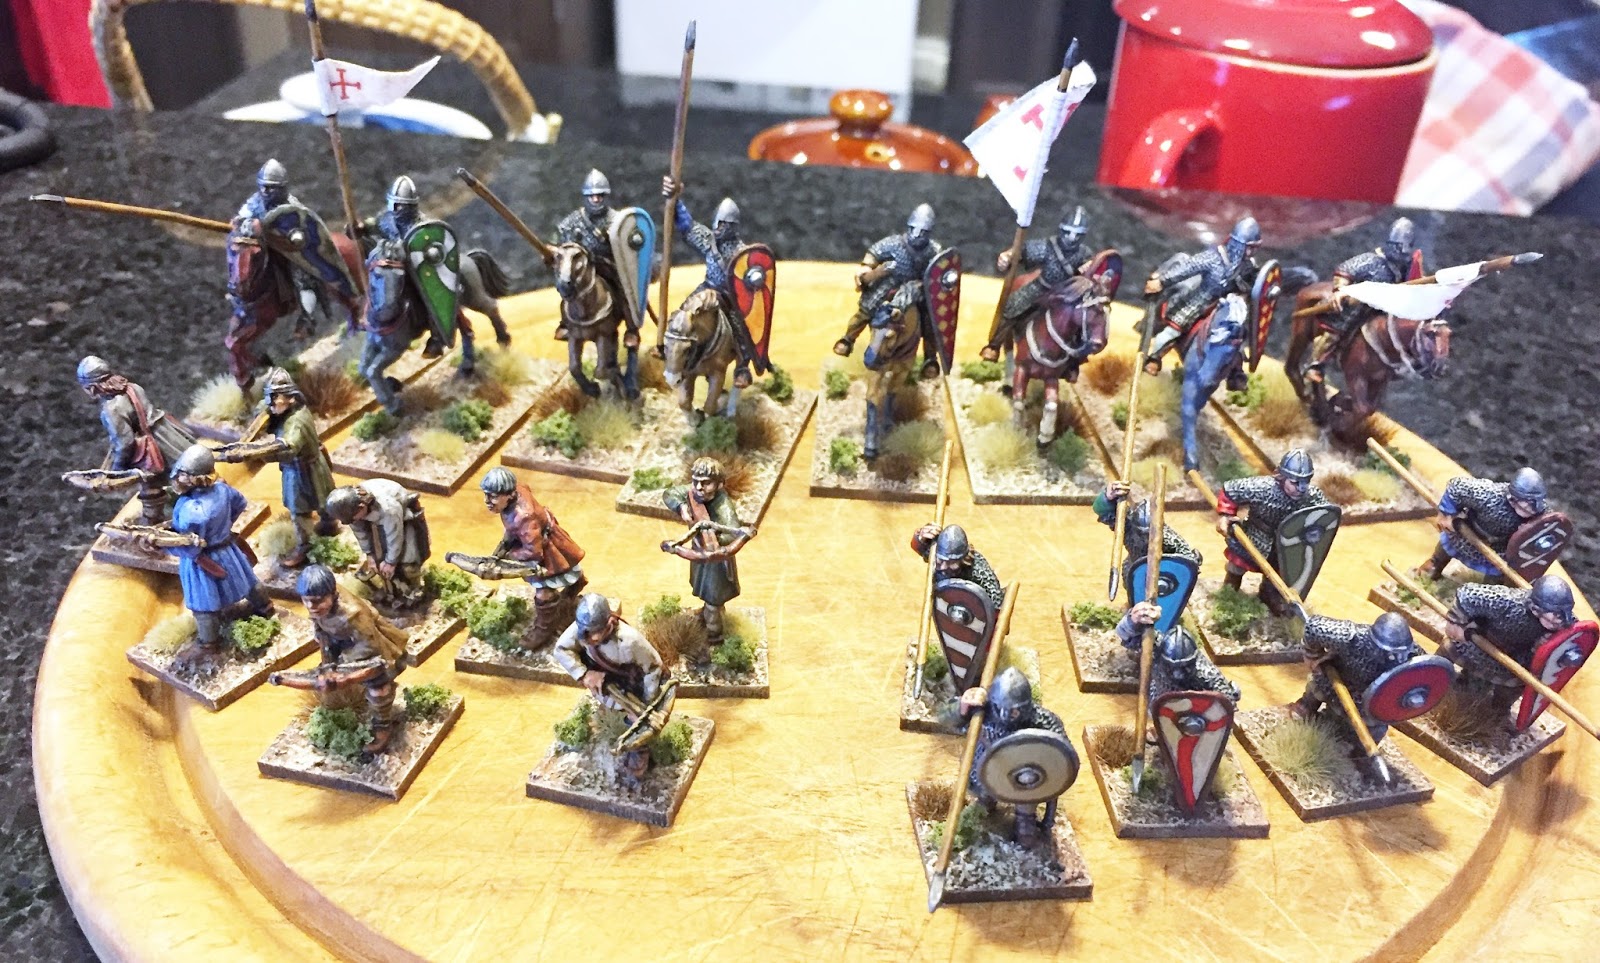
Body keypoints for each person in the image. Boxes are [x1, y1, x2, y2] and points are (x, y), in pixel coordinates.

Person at [158, 445, 275, 673]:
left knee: (203, 603)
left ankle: (208, 644)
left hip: (202, 559)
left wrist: (163, 544)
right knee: (248, 581)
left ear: (195, 477)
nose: (178, 478)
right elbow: (240, 503)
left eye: (183, 474)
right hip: (227, 549)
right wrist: (223, 528)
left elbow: (186, 543)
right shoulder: (223, 490)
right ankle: (265, 606)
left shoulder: (191, 510)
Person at [213, 367, 337, 567]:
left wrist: (258, 453)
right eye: (270, 397)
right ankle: (327, 524)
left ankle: (306, 545)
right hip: (301, 467)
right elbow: (264, 413)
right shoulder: (285, 410)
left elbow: (289, 447)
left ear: (290, 398)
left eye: (275, 398)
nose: (271, 403)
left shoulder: (296, 421)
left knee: (300, 510)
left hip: (304, 469)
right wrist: (265, 413)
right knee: (320, 499)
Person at [293, 564, 411, 755]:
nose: (310, 606)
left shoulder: (353, 615)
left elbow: (369, 646)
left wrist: (343, 666)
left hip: (373, 653)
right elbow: (319, 623)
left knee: (379, 689)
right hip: (340, 646)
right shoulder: (319, 601)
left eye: (316, 601)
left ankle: (382, 726)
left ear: (331, 595)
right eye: (305, 600)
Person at [553, 594, 668, 781]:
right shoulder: (581, 629)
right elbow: (561, 649)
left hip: (634, 683)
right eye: (587, 632)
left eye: (596, 631)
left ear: (608, 624)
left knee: (637, 719)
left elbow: (653, 668)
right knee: (609, 707)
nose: (592, 637)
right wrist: (584, 673)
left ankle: (639, 749)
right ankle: (610, 715)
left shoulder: (630, 640)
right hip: (604, 681)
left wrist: (648, 701)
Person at [660, 175, 762, 385]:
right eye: (718, 224)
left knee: (740, 328)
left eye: (724, 225)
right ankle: (670, 348)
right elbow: (687, 225)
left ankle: (742, 368)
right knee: (683, 312)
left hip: (729, 296)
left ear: (732, 226)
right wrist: (675, 199)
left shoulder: (742, 253)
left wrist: (754, 278)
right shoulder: (708, 240)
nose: (719, 228)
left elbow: (754, 277)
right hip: (708, 287)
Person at [75, 355, 197, 524]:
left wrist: (117, 469)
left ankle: (155, 519)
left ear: (93, 388)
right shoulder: (133, 387)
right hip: (167, 433)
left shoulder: (111, 409)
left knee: (162, 484)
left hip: (154, 449)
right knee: (191, 470)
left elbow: (125, 442)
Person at [958, 667, 1070, 846]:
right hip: (990, 769)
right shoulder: (983, 715)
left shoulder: (1044, 722)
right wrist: (962, 708)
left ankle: (1025, 823)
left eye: (1014, 711)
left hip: (1027, 779)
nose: (1006, 716)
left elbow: (1062, 753)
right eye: (1001, 709)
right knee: (985, 792)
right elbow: (950, 720)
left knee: (1026, 814)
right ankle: (987, 802)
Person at [834, 204, 947, 379]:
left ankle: (930, 358)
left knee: (930, 321)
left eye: (922, 232)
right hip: (890, 283)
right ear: (909, 227)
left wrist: (938, 281)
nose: (917, 235)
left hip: (917, 288)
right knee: (868, 307)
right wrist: (867, 267)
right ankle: (848, 339)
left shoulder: (934, 250)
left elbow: (941, 268)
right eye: (914, 229)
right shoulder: (893, 243)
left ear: (929, 232)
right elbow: (873, 253)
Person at [1288, 613, 1419, 763]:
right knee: (1316, 688)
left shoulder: (1412, 656)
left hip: (1369, 700)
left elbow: (1426, 673)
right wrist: (1313, 656)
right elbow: (1313, 627)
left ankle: (1359, 756)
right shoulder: (1350, 637)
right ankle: (1305, 707)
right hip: (1336, 679)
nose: (1388, 655)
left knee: (1376, 728)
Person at [1213, 448, 1330, 615]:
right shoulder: (1262, 488)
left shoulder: (1311, 496)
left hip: (1285, 544)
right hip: (1255, 535)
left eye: (1305, 482)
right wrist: (1225, 516)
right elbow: (1230, 491)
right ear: (1282, 477)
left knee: (1279, 573)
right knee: (1237, 566)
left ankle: (1269, 597)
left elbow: (1324, 515)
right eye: (1295, 482)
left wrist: (1315, 531)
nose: (1301, 488)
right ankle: (1228, 595)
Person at [479, 467, 587, 648]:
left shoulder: (524, 518)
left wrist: (509, 557)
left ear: (509, 495)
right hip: (535, 536)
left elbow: (534, 553)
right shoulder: (517, 492)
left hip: (544, 549)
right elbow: (512, 530)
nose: (487, 501)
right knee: (563, 569)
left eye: (493, 496)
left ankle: (544, 629)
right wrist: (499, 552)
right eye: (486, 494)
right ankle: (576, 583)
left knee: (543, 590)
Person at [1445, 575, 1576, 722]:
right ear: (1535, 608)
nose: (1557, 620)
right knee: (1450, 654)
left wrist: (1547, 646)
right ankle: (1439, 678)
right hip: (1479, 645)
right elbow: (1468, 594)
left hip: (1515, 659)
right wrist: (1456, 621)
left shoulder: (1565, 622)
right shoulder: (1507, 602)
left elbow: (1574, 637)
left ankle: (1499, 713)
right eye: (1554, 615)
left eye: (1561, 615)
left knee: (1512, 689)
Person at [1305, 218, 1421, 381]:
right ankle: (1316, 364)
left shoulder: (1407, 267)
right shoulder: (1370, 260)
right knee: (1337, 330)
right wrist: (1340, 291)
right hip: (1358, 306)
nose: (1400, 253)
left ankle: (1395, 364)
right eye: (1398, 248)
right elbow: (1345, 271)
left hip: (1385, 310)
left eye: (1403, 250)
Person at [1143, 216, 1262, 372]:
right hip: (1200, 301)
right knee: (1174, 329)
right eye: (1249, 247)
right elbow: (1187, 267)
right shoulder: (1213, 258)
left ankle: (1235, 372)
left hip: (1224, 305)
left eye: (1254, 248)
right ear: (1237, 244)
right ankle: (1154, 357)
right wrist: (1163, 281)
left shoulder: (1249, 266)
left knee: (1236, 333)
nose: (1251, 252)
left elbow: (1257, 285)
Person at [660, 458, 755, 644]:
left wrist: (712, 535)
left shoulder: (724, 506)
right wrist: (682, 507)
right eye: (695, 481)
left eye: (706, 483)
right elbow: (670, 493)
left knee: (713, 600)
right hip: (701, 558)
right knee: (708, 596)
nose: (698, 487)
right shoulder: (694, 491)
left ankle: (713, 636)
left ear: (719, 484)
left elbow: (732, 535)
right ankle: (709, 612)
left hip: (716, 564)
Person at [981, 206, 1094, 361]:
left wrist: (1089, 268)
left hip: (1067, 297)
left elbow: (1092, 273)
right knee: (1013, 305)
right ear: (1062, 229)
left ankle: (1076, 359)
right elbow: (1023, 252)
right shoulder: (1048, 246)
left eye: (1077, 234)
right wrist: (1008, 256)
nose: (1072, 238)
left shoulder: (1084, 253)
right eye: (1068, 232)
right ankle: (994, 346)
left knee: (1085, 321)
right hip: (1042, 288)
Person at [1421, 467, 1550, 581]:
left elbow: (1548, 528)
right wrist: (1446, 514)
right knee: (1447, 547)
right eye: (1527, 503)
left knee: (1499, 574)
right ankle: (1434, 565)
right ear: (1514, 497)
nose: (1531, 508)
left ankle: (1490, 595)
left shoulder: (1541, 512)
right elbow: (1456, 487)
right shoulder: (1489, 495)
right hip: (1465, 532)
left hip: (1498, 548)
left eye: (1535, 503)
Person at [324, 480, 430, 606]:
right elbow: (360, 532)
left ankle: (414, 589)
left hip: (406, 520)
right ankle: (390, 590)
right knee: (379, 559)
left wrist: (390, 562)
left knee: (409, 562)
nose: (350, 521)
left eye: (353, 518)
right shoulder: (351, 511)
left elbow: (394, 535)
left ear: (361, 507)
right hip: (377, 522)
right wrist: (369, 554)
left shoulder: (388, 508)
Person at [1093, 480, 1202, 603]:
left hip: (1162, 573)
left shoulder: (1168, 537)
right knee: (1135, 595)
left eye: (1148, 532)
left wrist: (1191, 564)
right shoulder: (1128, 528)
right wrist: (1108, 497)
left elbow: (1186, 557)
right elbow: (1104, 512)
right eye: (1142, 532)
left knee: (1164, 598)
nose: (1145, 536)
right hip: (1134, 566)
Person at [909, 523, 1003, 609]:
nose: (943, 567)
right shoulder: (935, 554)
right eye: (941, 561)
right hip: (942, 605)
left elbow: (995, 600)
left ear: (964, 560)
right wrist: (921, 538)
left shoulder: (978, 569)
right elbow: (918, 547)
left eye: (951, 562)